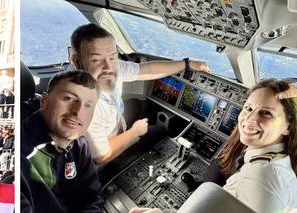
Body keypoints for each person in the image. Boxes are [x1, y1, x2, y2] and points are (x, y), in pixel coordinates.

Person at [20, 70, 166, 213]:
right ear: (44, 101)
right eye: (68, 99)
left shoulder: (78, 143)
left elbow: (90, 197)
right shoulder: (20, 166)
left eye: (88, 105)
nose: (77, 111)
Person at [69, 23, 210, 166]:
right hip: (98, 155)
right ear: (77, 61)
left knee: (138, 104)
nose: (109, 68)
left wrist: (187, 63)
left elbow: (147, 69)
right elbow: (101, 156)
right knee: (160, 131)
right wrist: (134, 133)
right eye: (97, 60)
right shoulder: (82, 106)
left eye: (112, 57)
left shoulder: (110, 67)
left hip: (113, 125)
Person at [217, 79, 297, 213]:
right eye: (248, 108)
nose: (250, 118)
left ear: (288, 127)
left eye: (266, 113)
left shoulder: (260, 177)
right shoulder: (281, 160)